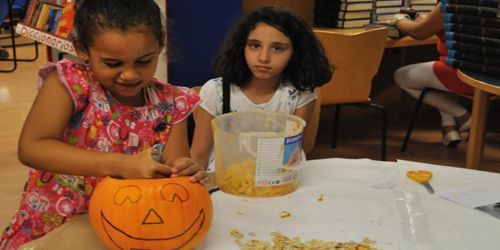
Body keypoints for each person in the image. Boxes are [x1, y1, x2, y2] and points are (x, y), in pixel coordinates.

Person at [0, 0, 207, 248]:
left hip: (130, 227)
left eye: (143, 61)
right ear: (82, 49)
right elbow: (32, 148)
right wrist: (124, 165)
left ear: (160, 45)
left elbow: (173, 167)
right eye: (112, 63)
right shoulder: (71, 83)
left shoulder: (172, 102)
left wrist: (185, 170)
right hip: (56, 224)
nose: (130, 74)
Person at [190, 6, 333, 170]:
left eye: (277, 48)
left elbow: (293, 152)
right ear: (241, 47)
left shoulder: (301, 92)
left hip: (277, 178)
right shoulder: (216, 91)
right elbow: (198, 157)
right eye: (254, 45)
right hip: (225, 179)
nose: (264, 58)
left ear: (296, 53)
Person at [390, 3, 473, 147]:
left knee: (401, 76)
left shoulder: (450, 4)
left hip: (460, 75)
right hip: (488, 76)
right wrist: (428, 20)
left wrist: (399, 20)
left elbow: (418, 33)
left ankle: (464, 116)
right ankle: (449, 129)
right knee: (433, 75)